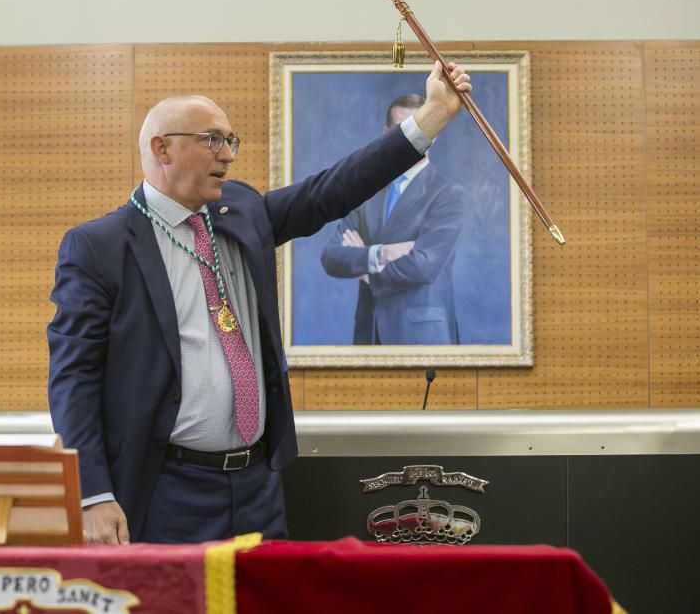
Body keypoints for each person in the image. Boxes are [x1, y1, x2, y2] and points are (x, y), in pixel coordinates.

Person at [47, 61, 471, 544]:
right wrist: (92, 495)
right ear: (161, 148)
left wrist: (431, 117)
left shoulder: (241, 212)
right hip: (164, 488)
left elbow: (332, 190)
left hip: (257, 487)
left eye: (231, 140)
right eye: (211, 140)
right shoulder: (99, 247)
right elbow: (73, 378)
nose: (227, 155)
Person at [320, 93, 465, 345]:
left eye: (419, 128)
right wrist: (381, 254)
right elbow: (331, 256)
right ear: (386, 134)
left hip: (423, 340)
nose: (410, 138)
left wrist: (365, 271)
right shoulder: (365, 192)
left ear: (434, 134)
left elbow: (422, 266)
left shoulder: (448, 194)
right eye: (401, 130)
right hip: (368, 337)